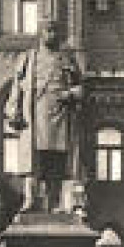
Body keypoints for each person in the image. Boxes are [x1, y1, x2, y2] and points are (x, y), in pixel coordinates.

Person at [10, 19, 85, 212]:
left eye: (54, 31)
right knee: (33, 160)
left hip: (60, 115)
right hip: (35, 115)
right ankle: (30, 199)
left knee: (57, 159)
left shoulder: (66, 59)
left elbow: (81, 88)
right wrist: (13, 111)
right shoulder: (28, 58)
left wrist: (70, 94)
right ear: (40, 34)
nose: (51, 34)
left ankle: (56, 203)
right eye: (47, 31)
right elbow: (17, 88)